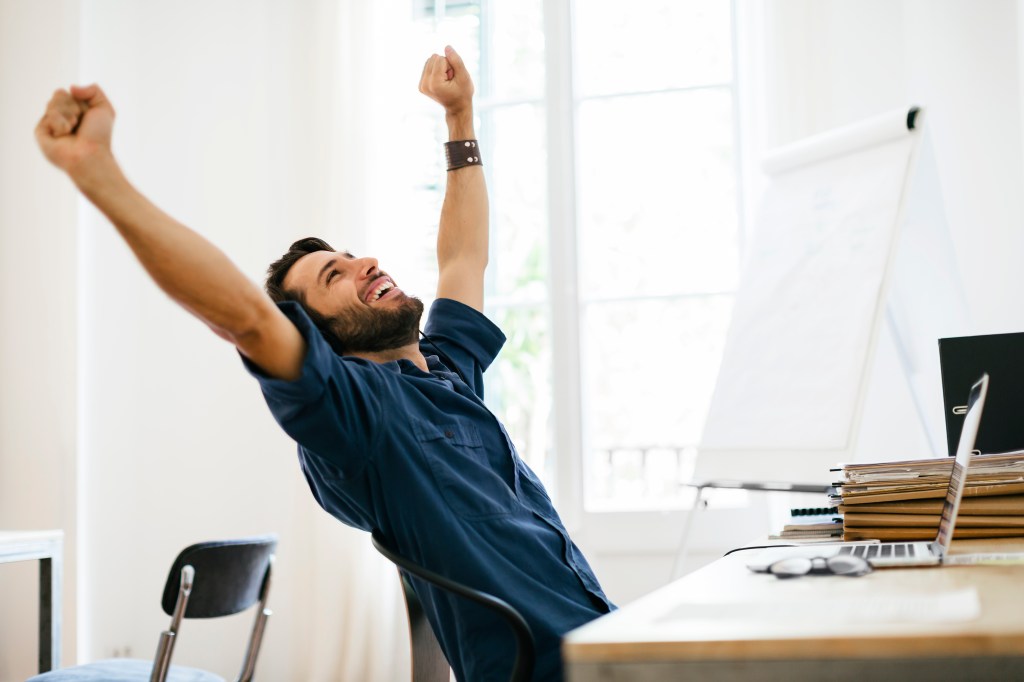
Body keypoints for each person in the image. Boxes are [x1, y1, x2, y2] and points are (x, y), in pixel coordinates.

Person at [35, 45, 614, 681]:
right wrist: (100, 175)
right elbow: (247, 319)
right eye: (335, 274)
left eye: (352, 254)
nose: (365, 261)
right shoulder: (359, 416)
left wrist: (460, 116)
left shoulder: (447, 373)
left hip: (612, 642)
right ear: (320, 335)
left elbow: (463, 258)